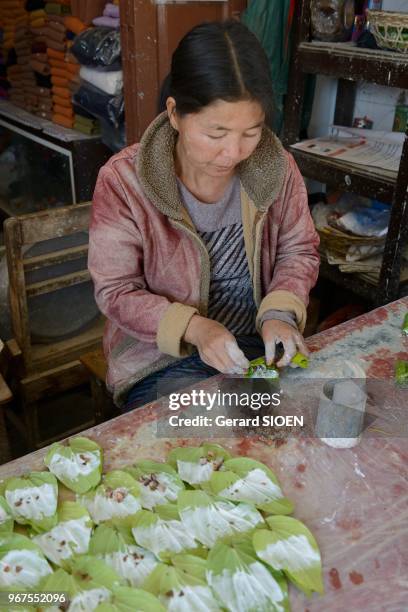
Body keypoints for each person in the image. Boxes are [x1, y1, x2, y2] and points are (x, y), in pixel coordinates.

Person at [88, 20, 320, 411]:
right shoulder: (124, 181)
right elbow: (116, 291)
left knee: (305, 423)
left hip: (256, 341)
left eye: (251, 132)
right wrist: (196, 329)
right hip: (161, 360)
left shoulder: (277, 167)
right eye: (216, 134)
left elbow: (298, 250)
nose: (233, 153)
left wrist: (280, 314)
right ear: (175, 114)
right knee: (208, 442)